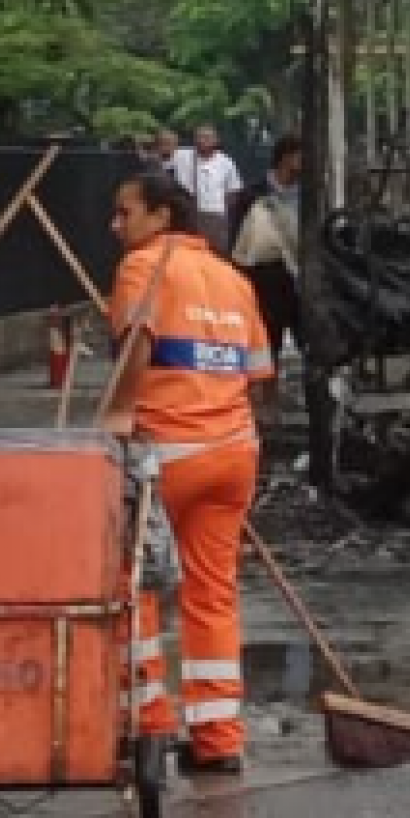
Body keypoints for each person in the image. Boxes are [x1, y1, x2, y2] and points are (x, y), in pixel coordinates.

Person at [102, 168, 275, 775]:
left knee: (135, 585)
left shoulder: (143, 267)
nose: (115, 225)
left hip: (164, 451)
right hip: (232, 453)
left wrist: (120, 415)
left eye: (125, 212)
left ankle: (147, 725)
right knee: (213, 593)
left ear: (161, 217)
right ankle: (218, 736)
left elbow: (135, 347)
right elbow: (258, 373)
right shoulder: (231, 279)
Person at [231, 132, 303, 364]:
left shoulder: (311, 195)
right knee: (268, 335)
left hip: (301, 275)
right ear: (285, 158)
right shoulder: (252, 195)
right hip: (266, 275)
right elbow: (240, 240)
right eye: (301, 155)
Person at [184, 124, 244, 254]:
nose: (201, 140)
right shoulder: (185, 158)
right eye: (198, 137)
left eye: (206, 137)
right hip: (194, 216)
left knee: (218, 255)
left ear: (216, 140)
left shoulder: (226, 162)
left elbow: (234, 190)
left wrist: (224, 212)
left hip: (218, 217)